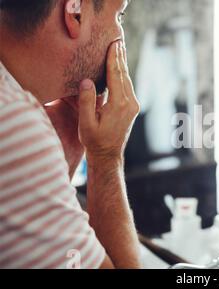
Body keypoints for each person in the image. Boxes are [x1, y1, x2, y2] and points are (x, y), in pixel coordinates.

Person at [0, 0, 141, 268]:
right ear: (74, 12)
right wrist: (106, 157)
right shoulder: (12, 120)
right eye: (119, 16)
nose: (121, 36)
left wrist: (62, 151)